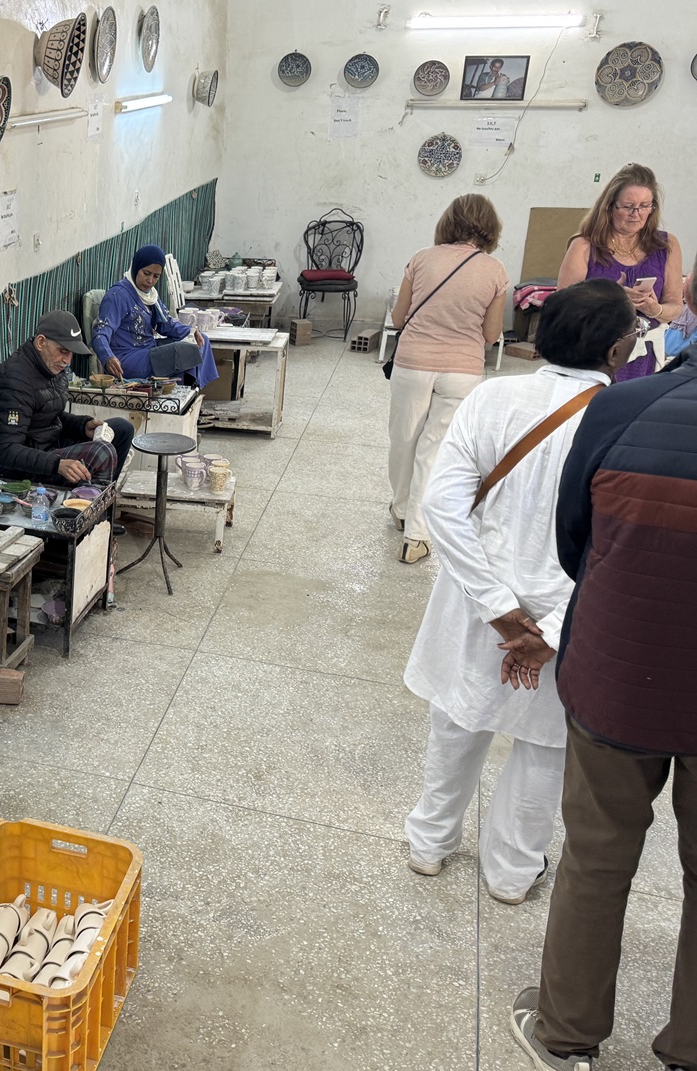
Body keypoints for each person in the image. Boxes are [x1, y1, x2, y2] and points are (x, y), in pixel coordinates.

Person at [509, 262, 697, 1071]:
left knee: (596, 853)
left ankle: (566, 1031)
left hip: (623, 673)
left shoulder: (625, 406)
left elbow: (576, 541)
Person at [402, 280, 637, 908]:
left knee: (458, 721)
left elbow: (443, 508)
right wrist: (549, 630)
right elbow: (615, 544)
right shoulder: (624, 418)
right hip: (570, 616)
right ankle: (511, 873)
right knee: (544, 748)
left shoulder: (493, 397)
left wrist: (498, 610)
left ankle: (429, 843)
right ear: (617, 350)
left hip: (476, 603)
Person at [388, 193, 510, 564]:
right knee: (434, 448)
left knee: (404, 439)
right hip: (462, 370)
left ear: (448, 222)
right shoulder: (495, 271)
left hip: (412, 364)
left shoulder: (421, 259)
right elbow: (491, 335)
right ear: (490, 228)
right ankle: (416, 536)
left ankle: (402, 509)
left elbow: (398, 318)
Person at [557, 162, 685, 381]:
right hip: (593, 354)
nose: (636, 214)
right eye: (628, 206)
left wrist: (655, 309)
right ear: (609, 206)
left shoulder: (667, 245)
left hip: (644, 359)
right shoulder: (584, 246)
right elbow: (560, 307)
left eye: (645, 206)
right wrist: (610, 299)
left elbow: (675, 307)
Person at [0, 310, 134, 485]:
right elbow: (6, 451)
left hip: (49, 445)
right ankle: (91, 499)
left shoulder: (52, 366)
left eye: (71, 353)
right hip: (17, 468)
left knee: (122, 429)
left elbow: (49, 415)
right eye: (63, 351)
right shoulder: (16, 380)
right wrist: (57, 464)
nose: (67, 360)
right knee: (101, 451)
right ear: (41, 342)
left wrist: (83, 426)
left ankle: (99, 491)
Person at [91, 244, 220, 390]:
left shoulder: (150, 295)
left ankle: (190, 391)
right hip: (126, 360)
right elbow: (100, 332)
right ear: (136, 267)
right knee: (184, 351)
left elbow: (166, 324)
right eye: (146, 273)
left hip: (149, 351)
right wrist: (108, 357)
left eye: (156, 276)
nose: (150, 280)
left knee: (200, 340)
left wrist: (190, 332)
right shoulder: (118, 295)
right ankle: (187, 390)